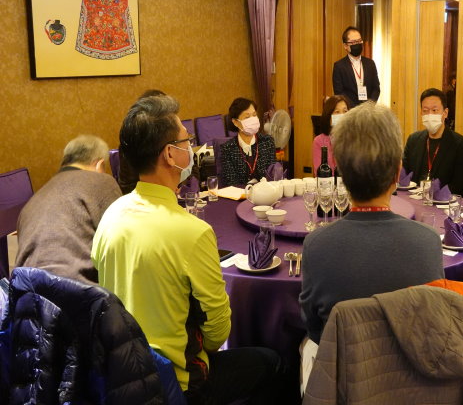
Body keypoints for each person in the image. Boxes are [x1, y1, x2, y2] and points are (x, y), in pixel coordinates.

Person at [92, 95, 282, 404]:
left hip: (120, 376)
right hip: (175, 383)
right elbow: (218, 332)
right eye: (187, 141)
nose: (192, 149)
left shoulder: (110, 215)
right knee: (272, 361)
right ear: (170, 154)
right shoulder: (192, 232)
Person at [300, 102, 444, 346]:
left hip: (342, 366)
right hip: (410, 366)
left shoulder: (316, 245)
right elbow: (432, 324)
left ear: (341, 173)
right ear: (397, 172)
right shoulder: (428, 242)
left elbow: (314, 329)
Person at [15, 135, 121, 284]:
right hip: (78, 290)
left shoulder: (31, 202)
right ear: (99, 165)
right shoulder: (102, 181)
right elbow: (122, 239)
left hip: (24, 290)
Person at [402, 88, 463, 193]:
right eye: (425, 111)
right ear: (421, 113)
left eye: (434, 110)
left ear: (445, 113)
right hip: (413, 197)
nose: (430, 115)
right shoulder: (413, 140)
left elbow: (460, 184)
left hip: (443, 200)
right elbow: (404, 174)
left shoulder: (460, 144)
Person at [220, 97, 276, 187]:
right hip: (240, 194)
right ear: (235, 122)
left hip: (265, 193)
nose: (252, 119)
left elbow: (273, 176)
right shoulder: (228, 148)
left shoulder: (267, 142)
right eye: (247, 117)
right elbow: (231, 183)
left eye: (254, 115)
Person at [332, 26, 380, 106]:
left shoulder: (370, 64)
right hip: (350, 110)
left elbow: (376, 89)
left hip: (368, 110)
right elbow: (339, 92)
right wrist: (355, 109)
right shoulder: (339, 66)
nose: (357, 44)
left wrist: (369, 106)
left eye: (359, 41)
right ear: (345, 46)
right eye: (353, 42)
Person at [312, 95, 349, 173]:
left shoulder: (355, 138)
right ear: (328, 116)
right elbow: (319, 173)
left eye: (345, 111)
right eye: (337, 112)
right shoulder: (319, 141)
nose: (342, 115)